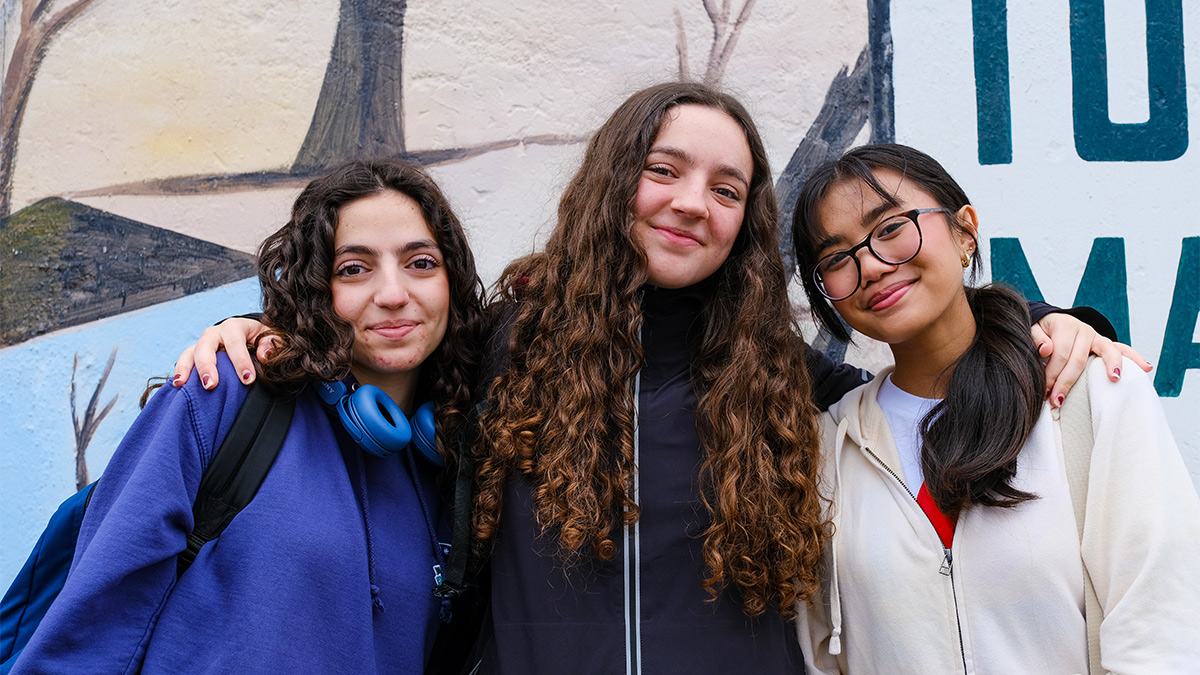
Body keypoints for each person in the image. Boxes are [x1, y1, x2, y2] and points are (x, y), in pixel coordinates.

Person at [171, 84, 1139, 674]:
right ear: (614, 180)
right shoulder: (506, 347)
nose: (691, 204)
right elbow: (381, 351)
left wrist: (1055, 324)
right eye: (664, 170)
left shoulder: (778, 373)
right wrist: (263, 332)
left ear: (745, 222)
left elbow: (927, 362)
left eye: (726, 189)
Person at [11, 159, 486, 674]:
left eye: (421, 263)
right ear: (315, 288)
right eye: (353, 268)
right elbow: (90, 629)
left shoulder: (456, 461)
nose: (393, 295)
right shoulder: (226, 393)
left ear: (452, 281)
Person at [790, 143, 1200, 673]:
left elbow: (1161, 633)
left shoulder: (1095, 396)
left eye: (890, 228)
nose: (868, 265)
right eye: (836, 260)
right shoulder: (828, 449)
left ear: (964, 232)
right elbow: (823, 655)